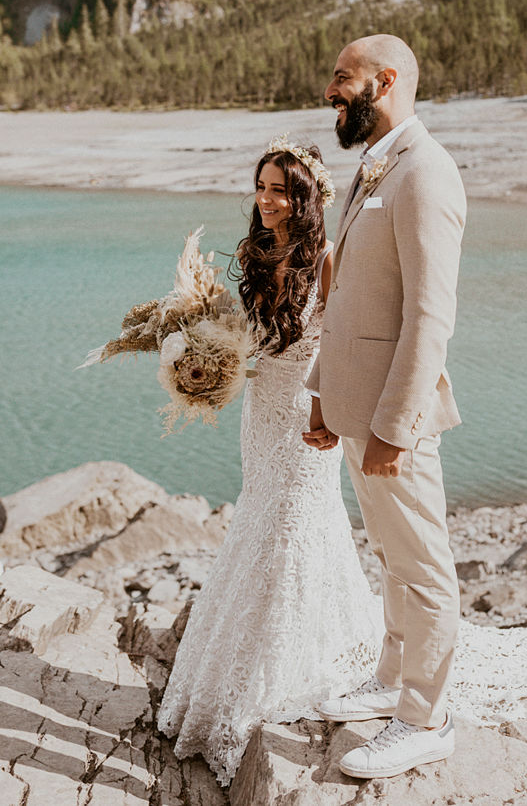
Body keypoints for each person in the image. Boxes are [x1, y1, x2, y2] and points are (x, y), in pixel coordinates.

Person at [302, 34, 527, 780]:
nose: (330, 93)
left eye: (342, 79)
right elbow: (346, 303)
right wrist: (323, 398)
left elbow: (430, 317)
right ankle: (389, 681)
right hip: (354, 412)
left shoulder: (426, 173)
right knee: (391, 557)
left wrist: (393, 427)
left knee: (425, 568)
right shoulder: (371, 169)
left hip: (389, 422)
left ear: (386, 79)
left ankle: (425, 718)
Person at [156, 137, 385, 785]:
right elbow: (243, 342)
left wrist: (329, 412)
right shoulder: (256, 254)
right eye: (261, 187)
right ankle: (238, 658)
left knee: (296, 525)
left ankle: (282, 669)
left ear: (306, 199)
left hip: (309, 414)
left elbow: (343, 341)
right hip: (262, 415)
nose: (267, 200)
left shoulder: (330, 259)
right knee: (261, 523)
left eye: (281, 190)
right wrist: (201, 358)